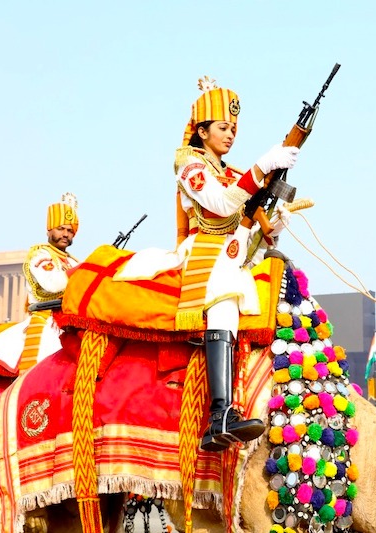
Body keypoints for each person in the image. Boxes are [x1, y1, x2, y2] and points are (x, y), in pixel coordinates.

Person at [119, 76, 299, 452]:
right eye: (223, 127)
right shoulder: (188, 165)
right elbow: (221, 205)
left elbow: (251, 232)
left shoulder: (233, 173)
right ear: (201, 131)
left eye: (234, 128)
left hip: (231, 254)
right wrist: (264, 163)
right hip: (203, 254)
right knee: (225, 298)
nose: (231, 134)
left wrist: (277, 220)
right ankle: (219, 413)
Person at [0, 194, 80, 373]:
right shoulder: (40, 255)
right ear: (49, 230)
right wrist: (84, 271)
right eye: (61, 228)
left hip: (71, 322)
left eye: (70, 230)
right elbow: (53, 284)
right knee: (45, 370)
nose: (66, 234)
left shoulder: (73, 262)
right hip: (47, 323)